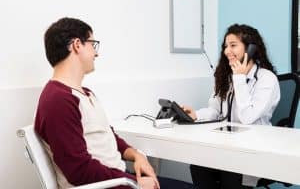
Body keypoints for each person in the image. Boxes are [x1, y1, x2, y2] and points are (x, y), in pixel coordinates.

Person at [34, 17, 160, 189]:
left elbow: (108, 137)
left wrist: (137, 156)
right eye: (93, 45)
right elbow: (78, 170)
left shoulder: (85, 94)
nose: (96, 53)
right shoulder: (58, 100)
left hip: (120, 181)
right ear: (77, 45)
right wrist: (134, 182)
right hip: (112, 184)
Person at [182, 24, 280, 189]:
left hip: (253, 149)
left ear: (251, 48)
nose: (227, 51)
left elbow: (247, 118)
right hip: (228, 146)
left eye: (233, 45)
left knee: (231, 170)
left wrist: (240, 79)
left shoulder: (266, 79)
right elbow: (216, 110)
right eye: (225, 46)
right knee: (198, 165)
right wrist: (196, 115)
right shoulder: (226, 77)